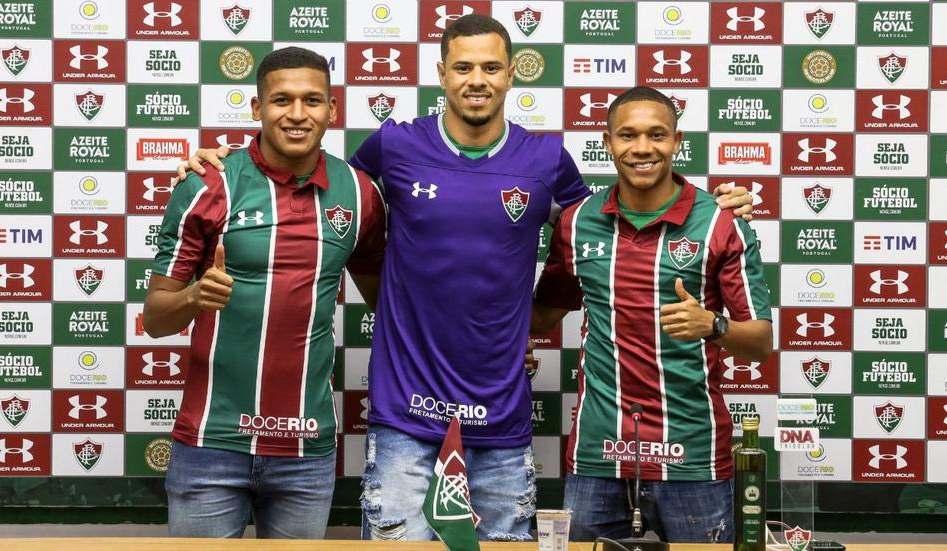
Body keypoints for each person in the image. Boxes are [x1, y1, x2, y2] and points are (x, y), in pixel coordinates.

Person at [180, 15, 753, 542]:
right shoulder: (395, 145)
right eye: (463, 67)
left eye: (490, 67)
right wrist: (229, 164)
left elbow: (615, 218)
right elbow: (314, 182)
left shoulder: (546, 160)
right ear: (442, 74)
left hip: (500, 416)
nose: (477, 80)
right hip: (404, 411)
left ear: (512, 74)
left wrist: (716, 205)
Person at [143, 46, 386, 538]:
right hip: (212, 444)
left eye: (311, 100)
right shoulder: (208, 184)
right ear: (257, 108)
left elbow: (392, 306)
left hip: (305, 448)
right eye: (281, 100)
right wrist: (194, 298)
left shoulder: (359, 193)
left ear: (332, 109)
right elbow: (155, 319)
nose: (297, 114)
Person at [530, 86, 773, 543]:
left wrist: (712, 325)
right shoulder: (576, 222)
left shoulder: (721, 222)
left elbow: (760, 343)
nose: (642, 147)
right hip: (598, 456)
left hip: (693, 459)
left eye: (657, 135)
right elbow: (541, 318)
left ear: (677, 141)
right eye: (628, 135)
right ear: (608, 143)